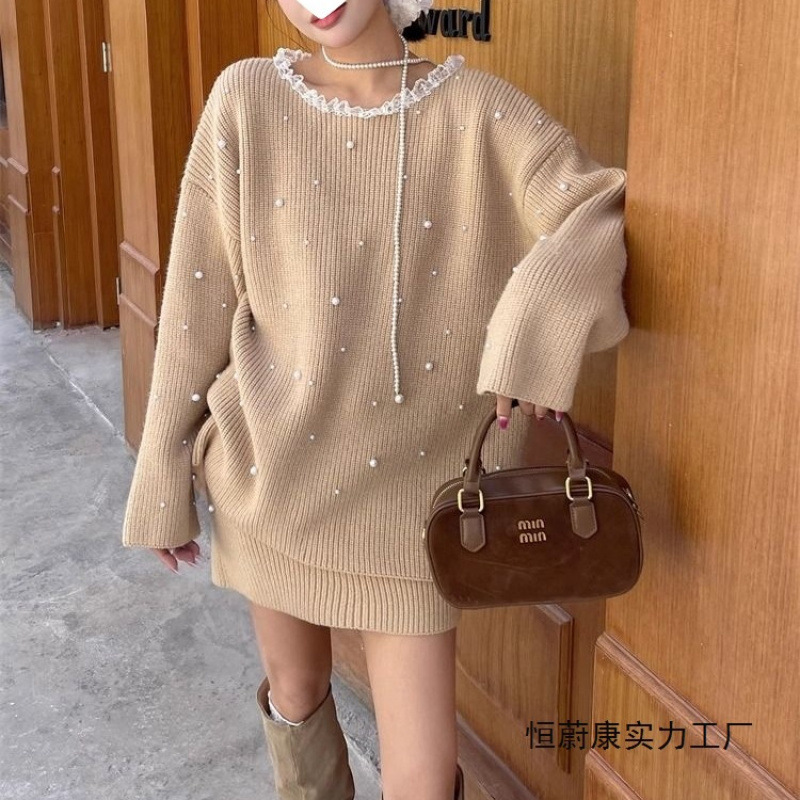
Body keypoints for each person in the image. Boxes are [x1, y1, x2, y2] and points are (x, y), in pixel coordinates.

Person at [120, 0, 631, 797]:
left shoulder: (480, 110)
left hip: (415, 506)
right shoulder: (246, 97)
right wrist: (161, 474)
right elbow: (196, 299)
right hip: (270, 477)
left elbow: (597, 206)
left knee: (420, 776)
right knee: (295, 697)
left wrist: (531, 338)